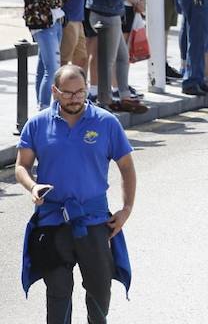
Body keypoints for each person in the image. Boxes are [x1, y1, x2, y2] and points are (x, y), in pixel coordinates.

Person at [16, 64, 135, 323]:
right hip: (52, 221)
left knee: (99, 292)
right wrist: (33, 186)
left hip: (93, 221)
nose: (75, 98)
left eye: (80, 92)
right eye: (68, 93)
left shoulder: (106, 122)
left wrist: (126, 209)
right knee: (58, 292)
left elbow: (126, 166)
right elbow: (21, 166)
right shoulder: (37, 124)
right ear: (55, 91)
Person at [87, 0, 146, 113]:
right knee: (109, 59)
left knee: (121, 56)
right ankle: (106, 99)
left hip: (108, 16)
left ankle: (123, 95)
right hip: (106, 17)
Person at [24, 0, 67, 109]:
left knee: (44, 68)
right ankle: (45, 108)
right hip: (43, 24)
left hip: (53, 22)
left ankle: (41, 106)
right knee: (53, 69)